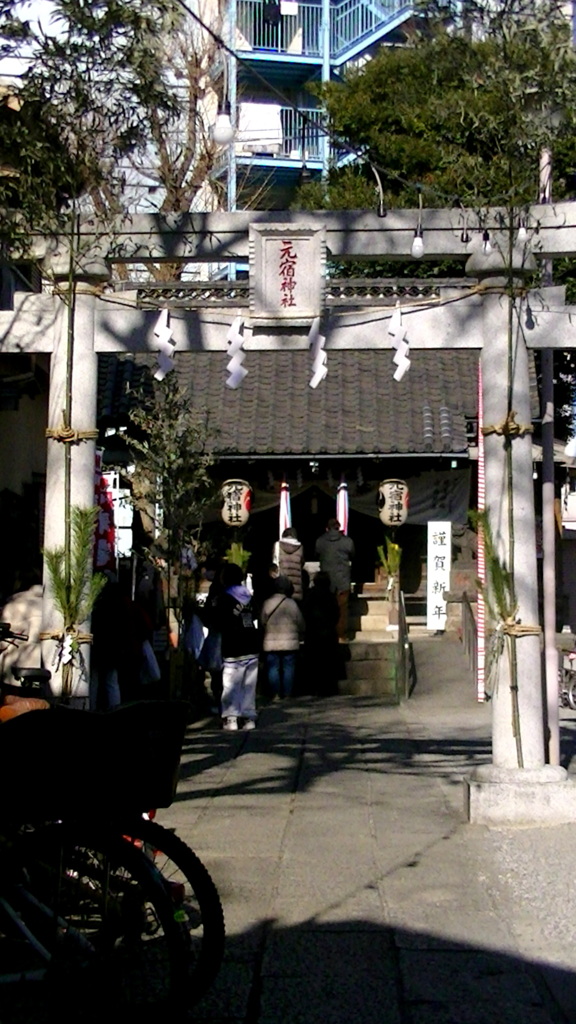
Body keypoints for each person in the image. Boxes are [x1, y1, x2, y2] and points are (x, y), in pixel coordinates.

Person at [214, 562, 260, 732]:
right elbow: (255, 614)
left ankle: (231, 718)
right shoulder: (249, 596)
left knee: (231, 683)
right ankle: (248, 717)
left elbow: (219, 620)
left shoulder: (225, 598)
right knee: (249, 684)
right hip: (251, 643)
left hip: (233, 644)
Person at [260, 575, 305, 700]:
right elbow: (300, 623)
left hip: (271, 642)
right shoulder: (292, 604)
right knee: (288, 668)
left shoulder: (267, 603)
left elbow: (262, 621)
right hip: (290, 643)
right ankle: (287, 694)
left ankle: (275, 694)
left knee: (273, 668)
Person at [315, 518, 355, 643]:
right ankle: (341, 636)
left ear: (327, 528)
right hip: (343, 579)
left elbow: (316, 553)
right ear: (339, 527)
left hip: (326, 581)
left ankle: (327, 635)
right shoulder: (347, 541)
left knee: (326, 609)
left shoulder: (320, 541)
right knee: (342, 610)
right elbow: (353, 554)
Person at [302, 571, 339, 696]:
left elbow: (305, 612)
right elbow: (336, 614)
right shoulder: (330, 596)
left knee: (313, 662)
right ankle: (327, 688)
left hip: (313, 632)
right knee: (327, 663)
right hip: (327, 633)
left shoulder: (309, 595)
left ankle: (313, 688)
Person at [273, 527, 305, 603]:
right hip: (296, 586)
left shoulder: (277, 545)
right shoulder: (300, 547)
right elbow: (302, 563)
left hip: (281, 584)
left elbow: (274, 563)